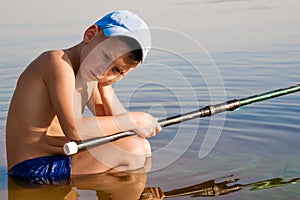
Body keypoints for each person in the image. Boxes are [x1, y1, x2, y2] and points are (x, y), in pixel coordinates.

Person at [6, 10, 161, 183]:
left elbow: (122, 131)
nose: (104, 71)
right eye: (105, 56)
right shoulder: (57, 63)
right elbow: (74, 130)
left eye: (117, 70)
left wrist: (106, 86)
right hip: (33, 170)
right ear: (90, 35)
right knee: (133, 150)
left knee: (141, 148)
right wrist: (136, 119)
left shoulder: (91, 75)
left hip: (61, 160)